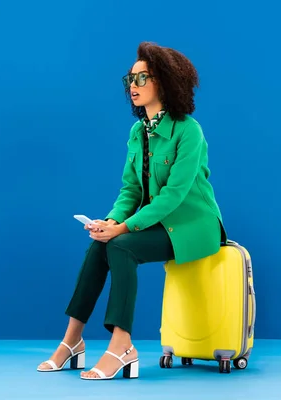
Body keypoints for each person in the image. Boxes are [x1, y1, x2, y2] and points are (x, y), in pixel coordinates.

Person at [36, 42, 226, 380]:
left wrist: (123, 230)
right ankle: (72, 340)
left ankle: (122, 345)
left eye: (142, 78)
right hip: (156, 223)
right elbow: (131, 190)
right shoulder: (138, 132)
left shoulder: (189, 131)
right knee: (100, 244)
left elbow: (173, 196)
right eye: (130, 79)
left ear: (164, 82)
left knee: (121, 245)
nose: (133, 86)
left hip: (193, 227)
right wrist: (110, 222)